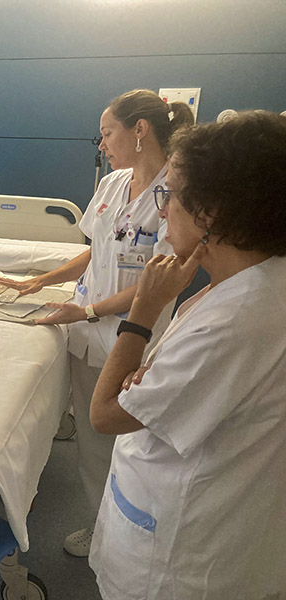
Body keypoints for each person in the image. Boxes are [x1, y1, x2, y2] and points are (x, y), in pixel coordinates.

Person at [89, 111, 286, 599]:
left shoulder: (233, 322)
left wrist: (143, 309)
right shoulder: (254, 283)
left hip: (176, 561)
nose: (163, 208)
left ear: (211, 213)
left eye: (170, 194)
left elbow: (105, 412)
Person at [0, 89, 193, 557]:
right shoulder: (112, 184)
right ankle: (100, 525)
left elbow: (158, 281)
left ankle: (116, 539)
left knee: (126, 449)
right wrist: (42, 280)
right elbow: (97, 251)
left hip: (131, 338)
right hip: (85, 331)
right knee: (91, 444)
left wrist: (84, 311)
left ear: (138, 130)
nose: (101, 144)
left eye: (107, 133)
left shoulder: (174, 194)